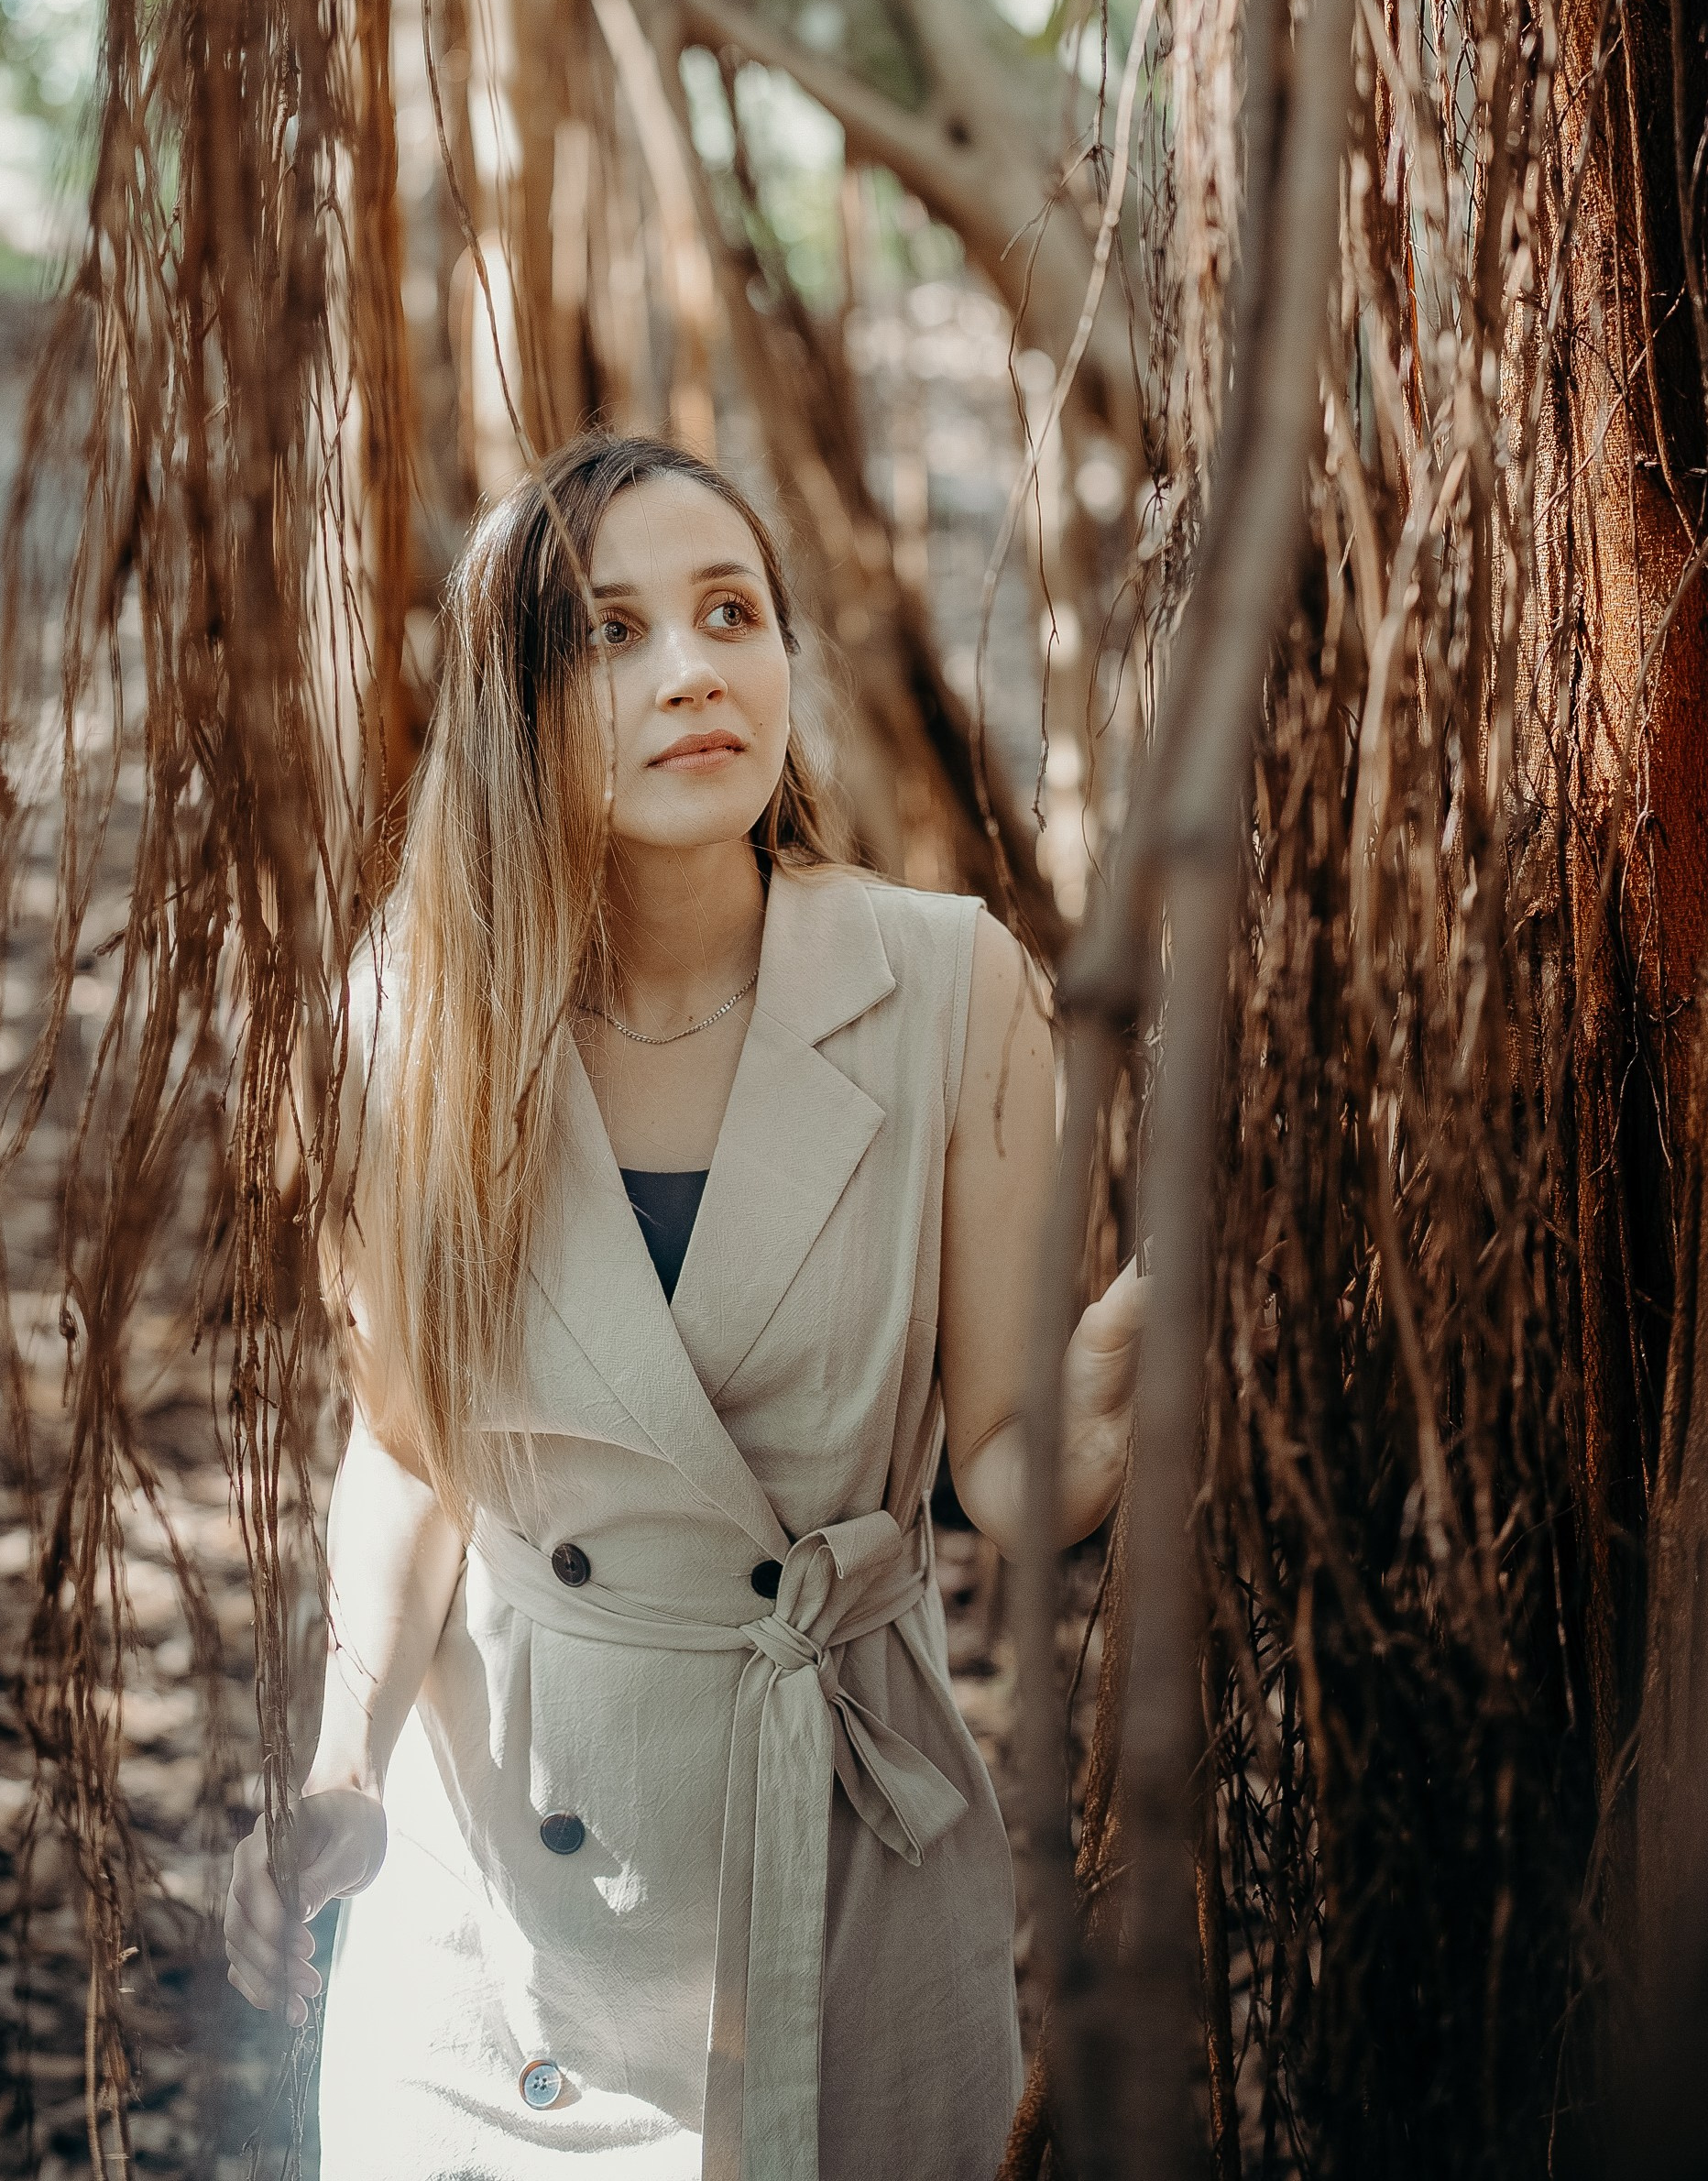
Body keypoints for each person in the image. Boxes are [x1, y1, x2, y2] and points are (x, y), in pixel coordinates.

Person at [223, 433, 1145, 2179]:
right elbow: (409, 1454)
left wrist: (1158, 1332)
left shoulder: (950, 984)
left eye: (731, 610)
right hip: (492, 1919)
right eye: (608, 631)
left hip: (841, 1874)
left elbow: (1010, 1470)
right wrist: (342, 1765)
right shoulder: (407, 1025)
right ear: (516, 701)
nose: (692, 669)